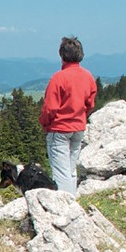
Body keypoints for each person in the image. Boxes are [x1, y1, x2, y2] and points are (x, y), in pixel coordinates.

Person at [39, 36, 97, 195]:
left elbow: (50, 108)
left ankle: (65, 208)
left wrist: (45, 124)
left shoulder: (58, 78)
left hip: (59, 129)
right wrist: (81, 117)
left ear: (62, 55)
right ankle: (73, 202)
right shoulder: (88, 77)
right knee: (71, 170)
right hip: (78, 128)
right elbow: (90, 104)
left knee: (60, 172)